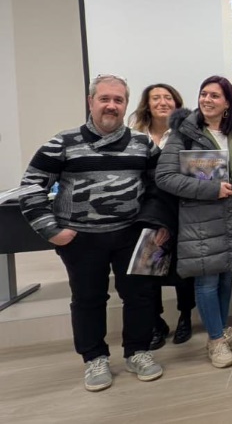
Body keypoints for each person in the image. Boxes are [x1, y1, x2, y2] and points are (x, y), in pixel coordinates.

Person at [20, 73, 163, 391]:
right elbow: (30, 186)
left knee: (141, 296)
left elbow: (159, 187)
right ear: (90, 102)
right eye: (104, 99)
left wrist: (155, 227)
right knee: (88, 299)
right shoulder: (63, 142)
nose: (111, 105)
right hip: (81, 239)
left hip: (133, 236)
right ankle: (94, 358)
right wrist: (52, 231)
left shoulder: (143, 144)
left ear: (126, 104)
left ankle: (138, 352)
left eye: (118, 100)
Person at [156, 76, 232, 369]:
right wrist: (211, 189)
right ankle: (214, 339)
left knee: (226, 276)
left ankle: (222, 330)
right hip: (200, 217)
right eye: (204, 94)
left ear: (228, 103)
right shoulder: (184, 132)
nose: (207, 100)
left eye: (215, 96)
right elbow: (165, 177)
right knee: (207, 279)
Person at [128, 83, 195, 349]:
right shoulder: (134, 135)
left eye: (168, 97)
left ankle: (185, 316)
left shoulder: (186, 133)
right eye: (156, 98)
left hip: (180, 209)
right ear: (147, 104)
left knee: (184, 270)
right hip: (146, 213)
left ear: (177, 103)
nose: (162, 102)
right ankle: (156, 322)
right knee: (149, 268)